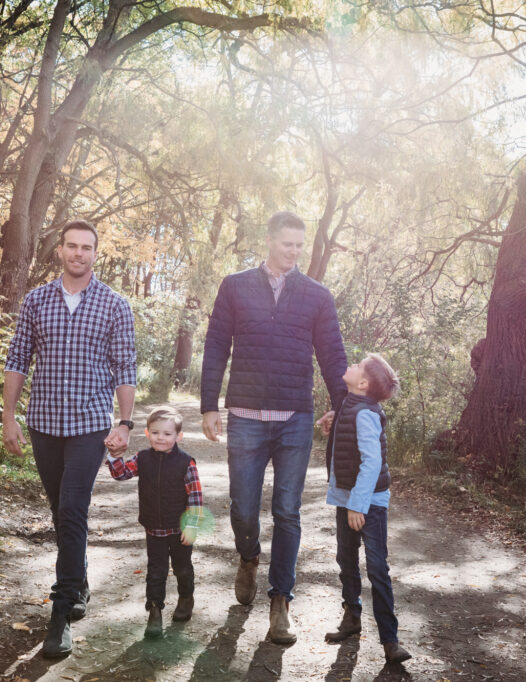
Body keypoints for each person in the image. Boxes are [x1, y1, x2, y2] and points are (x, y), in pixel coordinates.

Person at [200, 210, 347, 645]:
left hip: (295, 422)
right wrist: (210, 405)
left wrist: (345, 408)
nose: (295, 252)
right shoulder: (235, 286)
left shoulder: (317, 296)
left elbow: (333, 355)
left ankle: (280, 600)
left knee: (287, 511)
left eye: (300, 245)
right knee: (244, 508)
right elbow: (215, 345)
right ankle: (248, 555)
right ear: (269, 240)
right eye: (288, 244)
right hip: (245, 416)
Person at [2, 219, 137, 659]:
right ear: (60, 250)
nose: (79, 253)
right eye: (72, 246)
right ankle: (78, 582)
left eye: (87, 248)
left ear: (96, 254)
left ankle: (60, 615)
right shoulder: (37, 300)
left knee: (73, 508)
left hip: (90, 426)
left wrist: (126, 422)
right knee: (61, 512)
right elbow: (18, 358)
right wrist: (9, 417)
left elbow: (125, 367)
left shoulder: (115, 305)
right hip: (43, 423)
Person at [322, 353, 411, 665]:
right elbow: (348, 443)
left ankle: (390, 639)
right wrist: (330, 426)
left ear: (362, 383)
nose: (352, 364)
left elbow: (372, 462)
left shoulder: (365, 413)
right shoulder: (351, 404)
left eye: (358, 365)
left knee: (376, 568)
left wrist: (357, 505)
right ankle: (352, 618)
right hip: (349, 498)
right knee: (345, 559)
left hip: (367, 503)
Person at [105, 406, 203, 639]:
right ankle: (155, 610)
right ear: (147, 433)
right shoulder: (143, 458)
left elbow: (195, 496)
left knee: (182, 568)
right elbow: (122, 474)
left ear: (178, 436)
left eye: (168, 434)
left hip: (180, 529)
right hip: (154, 528)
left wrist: (192, 525)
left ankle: (186, 598)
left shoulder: (186, 462)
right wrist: (114, 456)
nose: (161, 438)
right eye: (156, 432)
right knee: (156, 571)